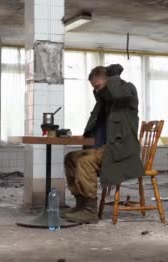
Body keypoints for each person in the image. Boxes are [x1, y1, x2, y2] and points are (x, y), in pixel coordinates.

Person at [62, 64, 144, 224]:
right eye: (94, 88)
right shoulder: (107, 101)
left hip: (121, 150)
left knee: (85, 161)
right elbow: (102, 101)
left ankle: (90, 211)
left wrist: (113, 78)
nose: (97, 91)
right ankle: (82, 204)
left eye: (98, 86)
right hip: (106, 148)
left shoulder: (127, 91)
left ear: (109, 80)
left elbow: (119, 95)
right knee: (71, 158)